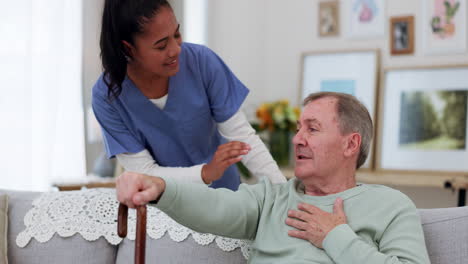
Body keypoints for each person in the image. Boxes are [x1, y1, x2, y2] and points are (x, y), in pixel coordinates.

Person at [116, 92, 430, 263]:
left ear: (351, 144)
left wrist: (336, 237)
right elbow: (214, 207)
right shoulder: (272, 197)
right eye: (297, 129)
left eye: (312, 128)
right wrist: (161, 188)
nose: (297, 140)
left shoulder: (391, 206)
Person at [92, 0, 286, 191]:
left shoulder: (202, 62)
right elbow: (144, 172)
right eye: (161, 46)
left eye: (177, 34)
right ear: (128, 48)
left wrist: (283, 194)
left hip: (225, 198)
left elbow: (243, 137)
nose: (176, 49)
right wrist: (206, 173)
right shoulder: (107, 97)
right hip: (163, 208)